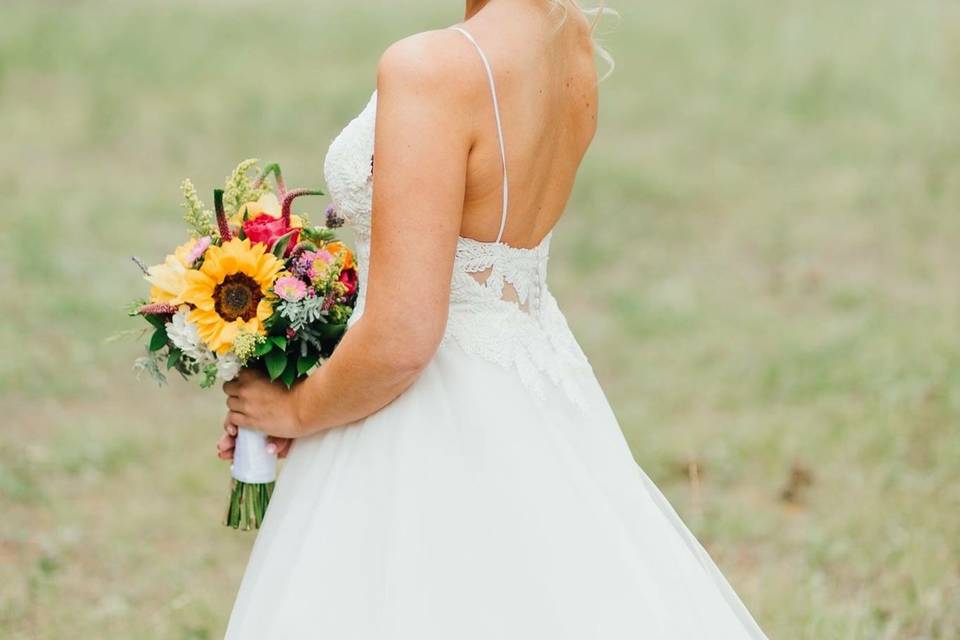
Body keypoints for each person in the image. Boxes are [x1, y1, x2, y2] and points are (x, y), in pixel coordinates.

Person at [218, 1, 768, 637]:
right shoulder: (569, 41)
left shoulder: (432, 67)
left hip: (421, 418)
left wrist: (301, 409)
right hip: (533, 391)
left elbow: (403, 335)